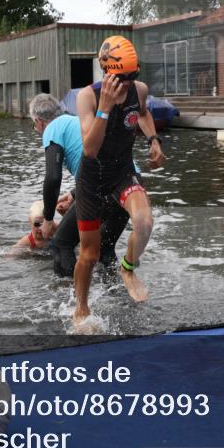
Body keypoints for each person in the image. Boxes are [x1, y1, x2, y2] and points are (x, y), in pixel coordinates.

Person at [72, 36, 165, 323]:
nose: (127, 83)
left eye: (132, 76)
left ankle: (128, 268)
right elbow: (89, 148)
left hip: (122, 174)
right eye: (121, 78)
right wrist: (106, 107)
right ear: (107, 72)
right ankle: (81, 309)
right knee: (89, 254)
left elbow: (144, 114)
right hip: (91, 181)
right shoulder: (87, 96)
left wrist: (153, 140)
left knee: (145, 222)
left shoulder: (139, 90)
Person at [29, 93, 129, 277]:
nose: (37, 129)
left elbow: (52, 177)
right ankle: (116, 296)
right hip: (129, 188)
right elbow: (103, 161)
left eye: (34, 125)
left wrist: (49, 220)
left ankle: (72, 301)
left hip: (103, 189)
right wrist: (75, 194)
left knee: (61, 245)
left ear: (39, 121)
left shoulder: (52, 128)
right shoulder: (77, 121)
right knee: (103, 248)